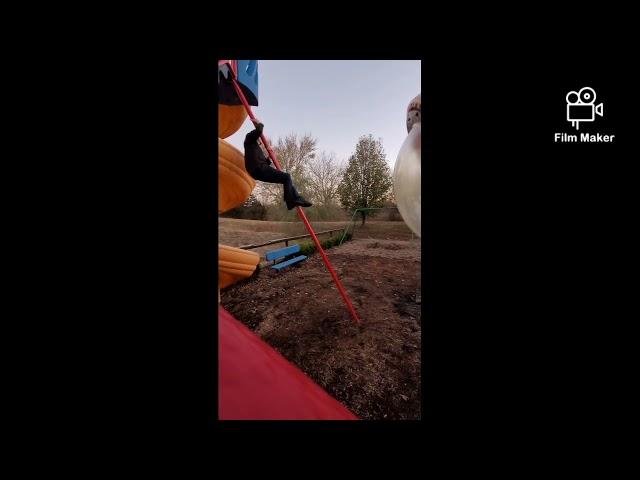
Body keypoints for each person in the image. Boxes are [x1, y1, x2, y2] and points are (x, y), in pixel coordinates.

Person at [244, 118, 313, 210]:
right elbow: (259, 130)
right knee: (287, 177)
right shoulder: (249, 139)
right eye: (259, 140)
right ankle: (291, 201)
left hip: (259, 172)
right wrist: (259, 122)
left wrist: (269, 158)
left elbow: (265, 163)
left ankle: (296, 199)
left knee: (285, 179)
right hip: (258, 169)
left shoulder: (255, 149)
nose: (260, 142)